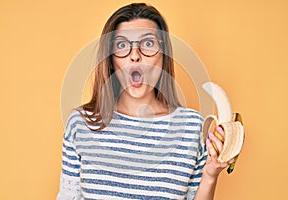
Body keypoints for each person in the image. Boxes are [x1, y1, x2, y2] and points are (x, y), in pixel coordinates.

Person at [57, 3, 235, 200]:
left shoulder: (193, 127)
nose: (135, 56)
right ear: (110, 59)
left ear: (163, 53)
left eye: (148, 44)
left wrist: (210, 175)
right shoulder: (82, 123)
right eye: (122, 45)